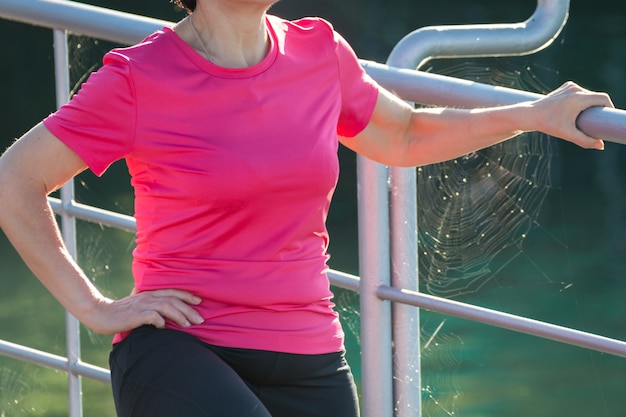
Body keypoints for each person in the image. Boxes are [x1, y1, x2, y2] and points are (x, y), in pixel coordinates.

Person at [0, 0, 614, 416]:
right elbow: (15, 180)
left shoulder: (318, 51)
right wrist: (94, 307)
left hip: (308, 352)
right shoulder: (139, 78)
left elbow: (403, 136)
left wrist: (533, 114)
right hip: (181, 346)